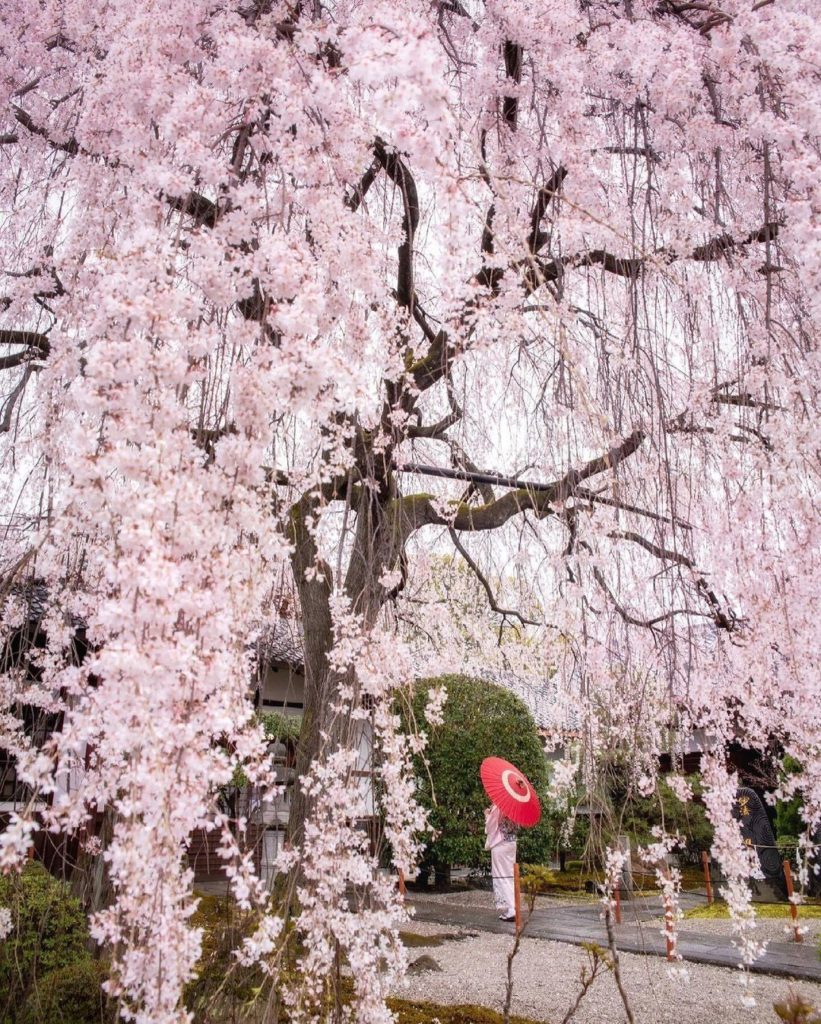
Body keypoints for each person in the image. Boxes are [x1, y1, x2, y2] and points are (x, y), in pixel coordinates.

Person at [484, 802, 519, 922]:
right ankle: (513, 906)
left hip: (500, 845)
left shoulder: (498, 806)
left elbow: (490, 827)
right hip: (511, 843)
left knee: (501, 875)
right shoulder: (515, 805)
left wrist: (487, 815)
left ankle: (511, 909)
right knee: (509, 875)